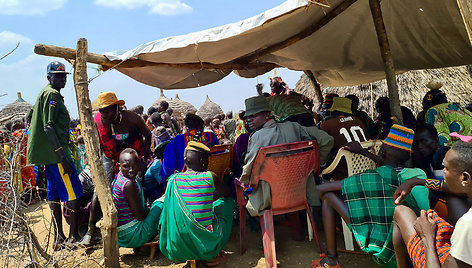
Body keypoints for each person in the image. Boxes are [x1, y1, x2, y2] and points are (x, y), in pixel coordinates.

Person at [314, 125, 429, 267]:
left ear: (382, 152)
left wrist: (353, 197)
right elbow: (392, 168)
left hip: (386, 254)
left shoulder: (368, 178)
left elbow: (319, 190)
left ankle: (331, 259)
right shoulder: (419, 175)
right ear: (407, 156)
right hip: (417, 249)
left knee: (329, 197)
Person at [239, 96, 334, 217]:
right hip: (301, 191)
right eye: (247, 117)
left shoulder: (257, 137)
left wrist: (245, 187)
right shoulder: (294, 127)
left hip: (270, 198)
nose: (248, 120)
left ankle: (254, 224)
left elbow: (248, 175)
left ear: (267, 114)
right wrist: (318, 166)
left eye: (253, 116)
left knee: (244, 189)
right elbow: (326, 140)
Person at [81, 91, 151, 246]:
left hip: (130, 156)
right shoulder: (98, 121)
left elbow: (148, 136)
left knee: (138, 184)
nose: (104, 116)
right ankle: (91, 229)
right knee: (101, 189)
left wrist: (143, 160)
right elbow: (97, 143)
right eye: (101, 112)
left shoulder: (132, 119)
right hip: (109, 155)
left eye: (107, 112)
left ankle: (138, 219)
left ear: (117, 109)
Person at [27, 61, 83, 247]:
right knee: (74, 193)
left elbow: (30, 116)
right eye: (57, 75)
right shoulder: (52, 95)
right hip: (58, 155)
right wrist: (62, 155)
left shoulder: (43, 93)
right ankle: (73, 236)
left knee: (54, 197)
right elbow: (48, 126)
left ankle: (59, 238)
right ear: (49, 77)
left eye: (64, 75)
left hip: (49, 158)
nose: (62, 78)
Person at [392, 141, 472, 267]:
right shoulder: (465, 187)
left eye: (446, 168)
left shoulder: (468, 223)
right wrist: (416, 181)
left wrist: (427, 236)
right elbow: (450, 187)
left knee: (401, 211)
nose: (443, 171)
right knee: (454, 197)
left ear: (465, 178)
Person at [158, 141, 234, 265]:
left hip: (177, 248)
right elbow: (226, 194)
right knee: (227, 203)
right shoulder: (210, 177)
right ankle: (211, 255)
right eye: (207, 160)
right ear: (203, 160)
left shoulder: (172, 180)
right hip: (205, 247)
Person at [112, 148, 162, 248]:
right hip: (132, 235)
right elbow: (140, 216)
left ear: (138, 165)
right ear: (119, 166)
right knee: (161, 205)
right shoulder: (128, 184)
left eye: (134, 166)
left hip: (122, 235)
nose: (131, 170)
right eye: (126, 166)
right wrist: (152, 211)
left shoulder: (120, 177)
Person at [319, 97, 368, 181]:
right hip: (364, 164)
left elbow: (323, 148)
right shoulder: (358, 120)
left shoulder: (327, 124)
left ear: (335, 111)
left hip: (343, 170)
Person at [160, 113, 219, 182]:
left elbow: (169, 164)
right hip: (211, 176)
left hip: (184, 179)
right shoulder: (211, 136)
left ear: (187, 127)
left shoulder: (178, 139)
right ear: (199, 127)